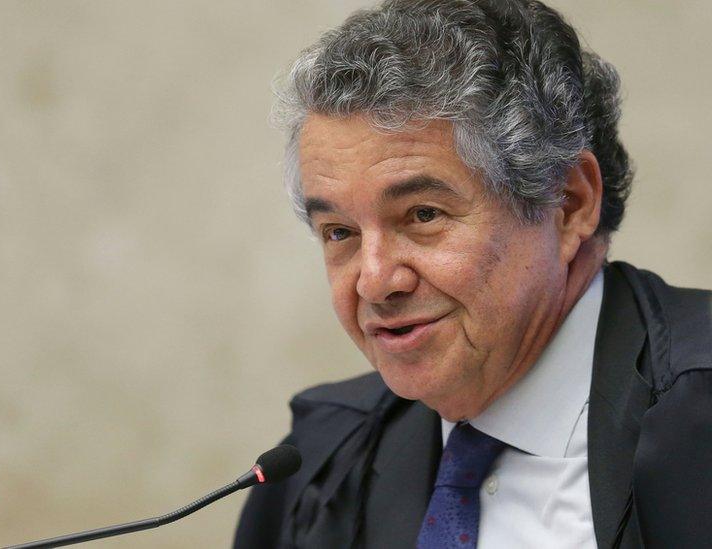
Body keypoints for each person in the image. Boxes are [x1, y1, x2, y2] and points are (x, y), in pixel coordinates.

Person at [233, 1, 712, 547]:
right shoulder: (320, 460)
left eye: (423, 215)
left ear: (570, 203)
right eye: (340, 232)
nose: (374, 281)